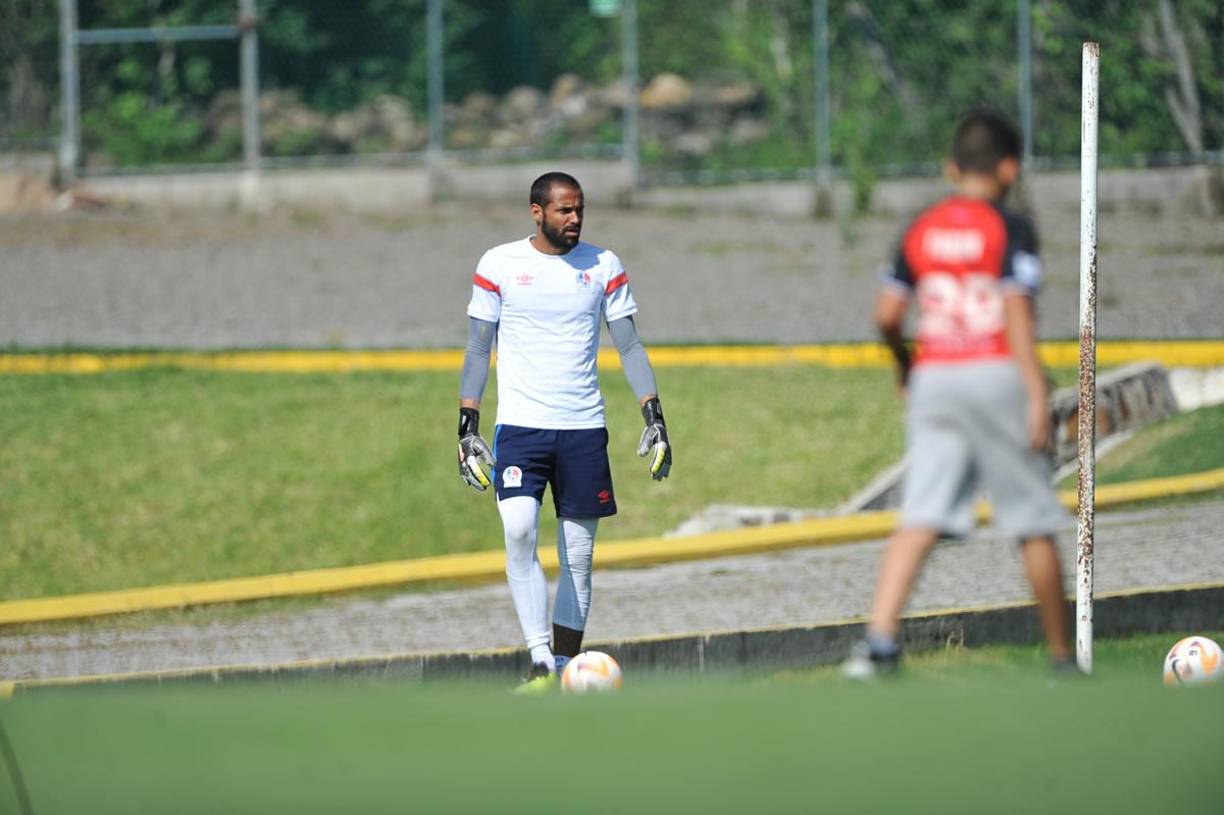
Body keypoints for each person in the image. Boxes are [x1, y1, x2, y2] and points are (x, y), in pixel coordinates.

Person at [843, 108, 1075, 679]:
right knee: (1030, 516)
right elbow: (1016, 310)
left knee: (920, 512)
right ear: (1009, 168)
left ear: (951, 167)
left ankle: (878, 643)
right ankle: (1061, 657)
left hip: (936, 376)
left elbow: (887, 314)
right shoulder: (1012, 225)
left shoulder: (921, 225)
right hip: (995, 370)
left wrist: (906, 364)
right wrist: (1035, 391)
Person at [457, 171, 672, 691]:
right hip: (521, 430)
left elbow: (630, 346)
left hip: (582, 430)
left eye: (579, 210)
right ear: (537, 212)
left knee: (577, 557)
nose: (575, 219)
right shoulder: (499, 264)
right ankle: (537, 657)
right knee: (519, 530)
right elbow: (479, 348)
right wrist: (468, 423)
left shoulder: (604, 266)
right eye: (564, 211)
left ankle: (559, 672)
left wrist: (654, 415)